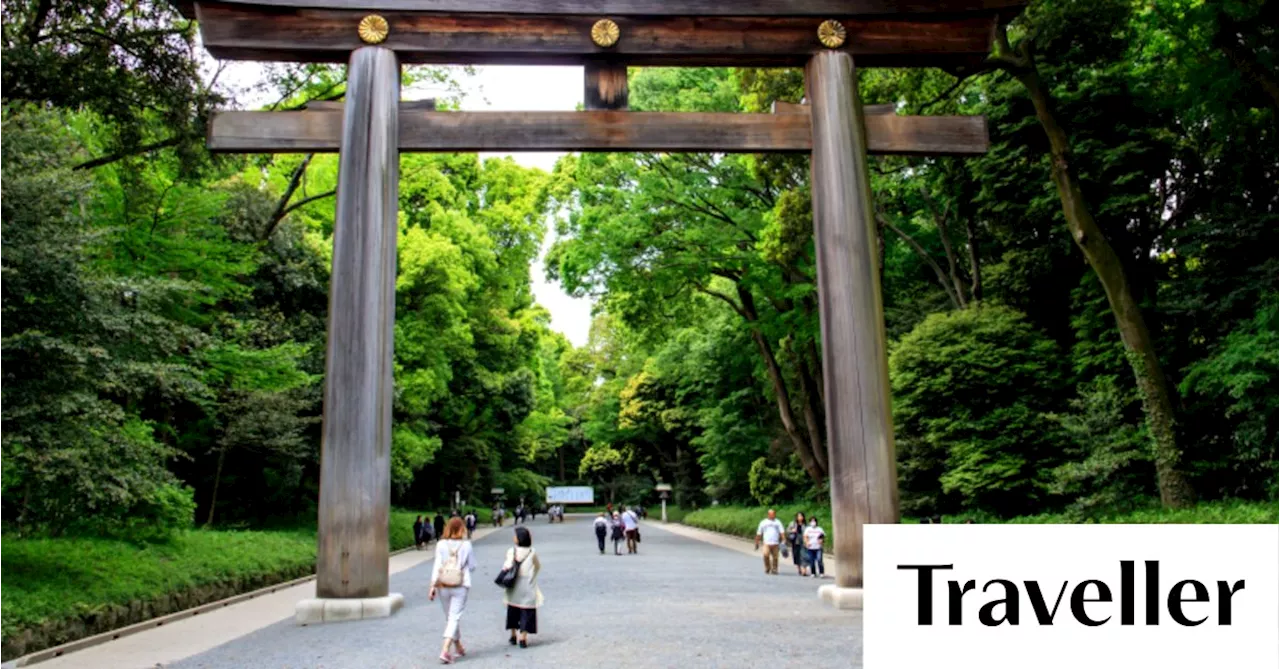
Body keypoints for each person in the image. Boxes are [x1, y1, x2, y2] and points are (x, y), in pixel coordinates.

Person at [429, 517, 476, 664]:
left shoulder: (441, 544)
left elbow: (437, 565)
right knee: (454, 617)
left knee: (450, 617)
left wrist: (432, 586)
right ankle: (445, 649)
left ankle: (458, 646)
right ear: (462, 529)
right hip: (460, 585)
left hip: (443, 585)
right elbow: (473, 565)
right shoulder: (466, 545)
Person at [503, 526, 543, 649]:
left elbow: (507, 565)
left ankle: (513, 634)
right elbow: (537, 566)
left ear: (519, 538)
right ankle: (523, 637)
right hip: (527, 583)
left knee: (513, 608)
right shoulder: (532, 552)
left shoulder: (512, 551)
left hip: (514, 583)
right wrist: (532, 577)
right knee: (527, 609)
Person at [754, 509, 785, 575]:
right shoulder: (763, 522)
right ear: (768, 515)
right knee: (766, 555)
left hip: (775, 542)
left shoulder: (778, 522)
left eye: (773, 514)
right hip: (766, 542)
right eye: (771, 514)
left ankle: (774, 569)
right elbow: (759, 533)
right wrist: (757, 542)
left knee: (775, 557)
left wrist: (783, 539)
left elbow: (781, 532)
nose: (772, 515)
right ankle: (767, 567)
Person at [786, 512, 809, 576]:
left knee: (804, 556)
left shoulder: (806, 525)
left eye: (801, 516)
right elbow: (787, 530)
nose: (800, 518)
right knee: (797, 555)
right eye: (798, 516)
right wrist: (792, 530)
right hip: (796, 541)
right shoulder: (793, 524)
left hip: (804, 541)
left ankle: (804, 570)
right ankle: (799, 568)